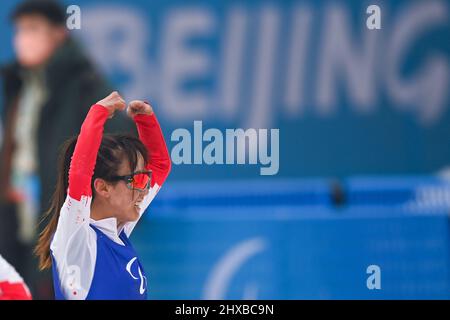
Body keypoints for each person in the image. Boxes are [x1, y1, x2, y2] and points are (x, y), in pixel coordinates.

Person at [0, 0, 131, 298]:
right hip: (17, 219)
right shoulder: (19, 84)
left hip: (59, 222)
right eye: (20, 30)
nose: (23, 39)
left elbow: (123, 144)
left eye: (33, 29)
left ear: (58, 34)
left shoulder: (84, 84)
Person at [35, 91, 171, 299]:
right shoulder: (77, 239)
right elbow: (80, 175)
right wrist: (97, 113)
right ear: (103, 188)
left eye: (145, 179)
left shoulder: (117, 228)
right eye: (138, 180)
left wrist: (146, 121)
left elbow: (160, 166)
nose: (144, 189)